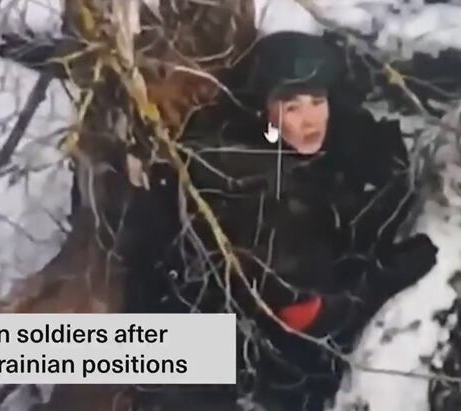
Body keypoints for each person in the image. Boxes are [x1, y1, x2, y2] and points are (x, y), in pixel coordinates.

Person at [172, 31, 439, 410]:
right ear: (264, 110)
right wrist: (383, 277)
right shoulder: (247, 181)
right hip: (225, 360)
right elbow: (303, 317)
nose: (310, 119)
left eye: (317, 102)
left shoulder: (314, 142)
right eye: (292, 107)